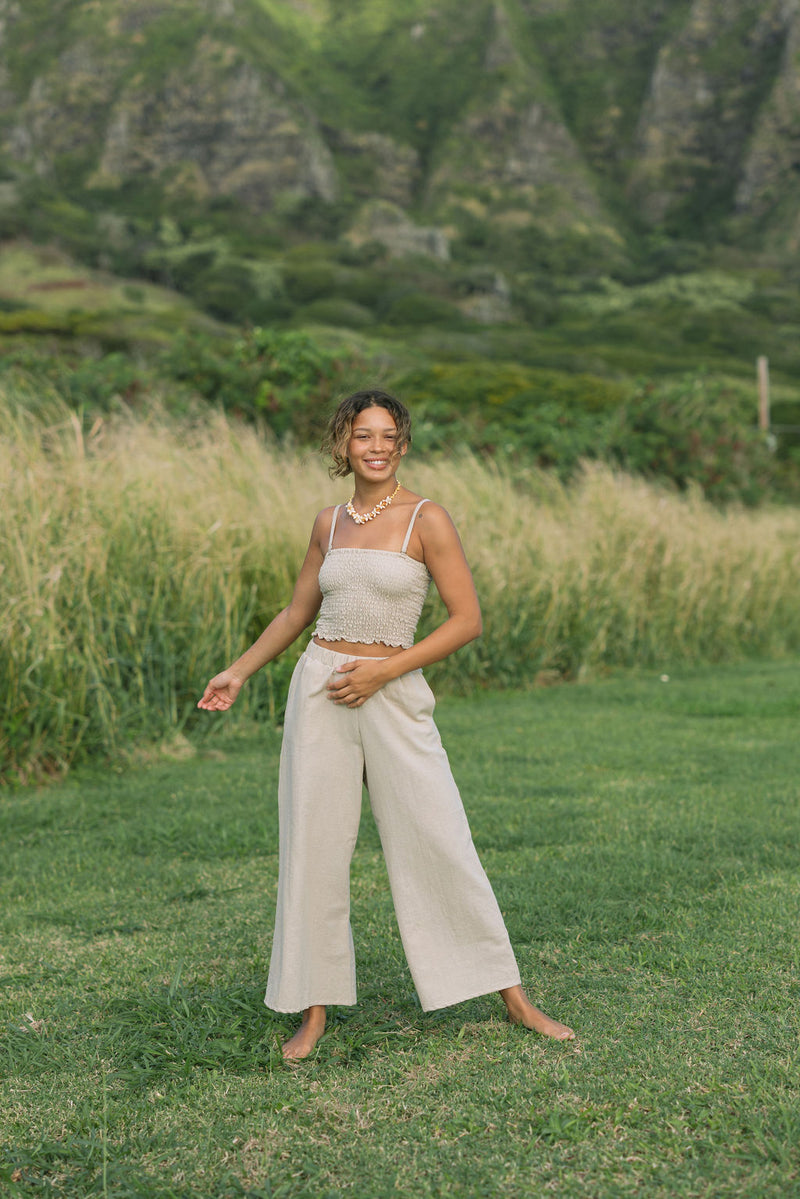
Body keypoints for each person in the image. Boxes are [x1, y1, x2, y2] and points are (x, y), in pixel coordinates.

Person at [198, 390, 575, 1059]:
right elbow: (294, 614)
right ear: (343, 444)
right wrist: (238, 670)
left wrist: (384, 671)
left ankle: (513, 996)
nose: (375, 447)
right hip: (320, 688)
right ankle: (312, 1012)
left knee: (440, 836)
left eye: (388, 435)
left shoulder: (426, 519)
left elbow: (467, 620)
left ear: (403, 445)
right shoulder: (328, 523)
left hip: (392, 692)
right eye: (361, 435)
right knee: (313, 846)